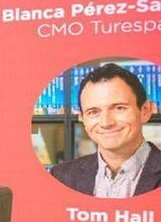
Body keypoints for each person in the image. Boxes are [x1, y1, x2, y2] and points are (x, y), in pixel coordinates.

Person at [51, 63, 160, 197]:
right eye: (93, 112)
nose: (106, 123)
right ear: (82, 118)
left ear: (145, 111)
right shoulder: (60, 177)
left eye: (119, 108)